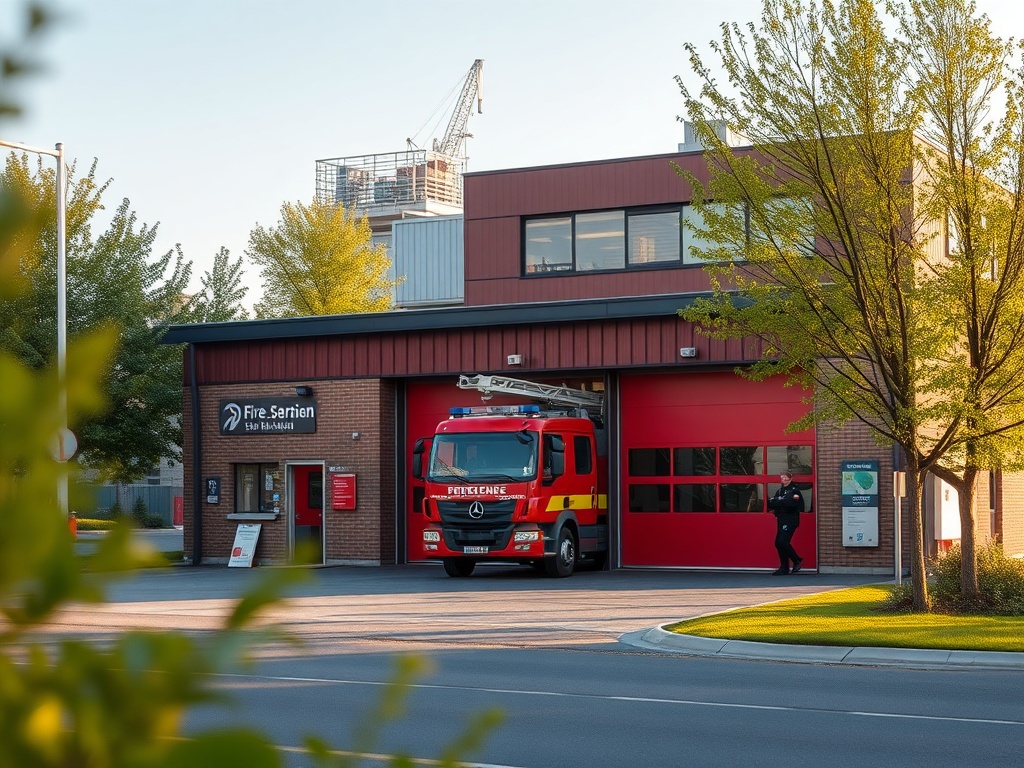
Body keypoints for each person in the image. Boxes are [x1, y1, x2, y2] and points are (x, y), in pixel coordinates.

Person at [767, 470, 803, 575]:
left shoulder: (794, 490)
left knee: (782, 542)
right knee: (778, 543)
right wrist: (778, 502)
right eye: (782, 477)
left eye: (786, 477)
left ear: (790, 478)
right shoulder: (780, 490)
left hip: (791, 519)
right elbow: (771, 503)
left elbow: (792, 503)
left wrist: (779, 502)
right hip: (781, 519)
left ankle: (796, 560)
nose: (784, 479)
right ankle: (784, 567)